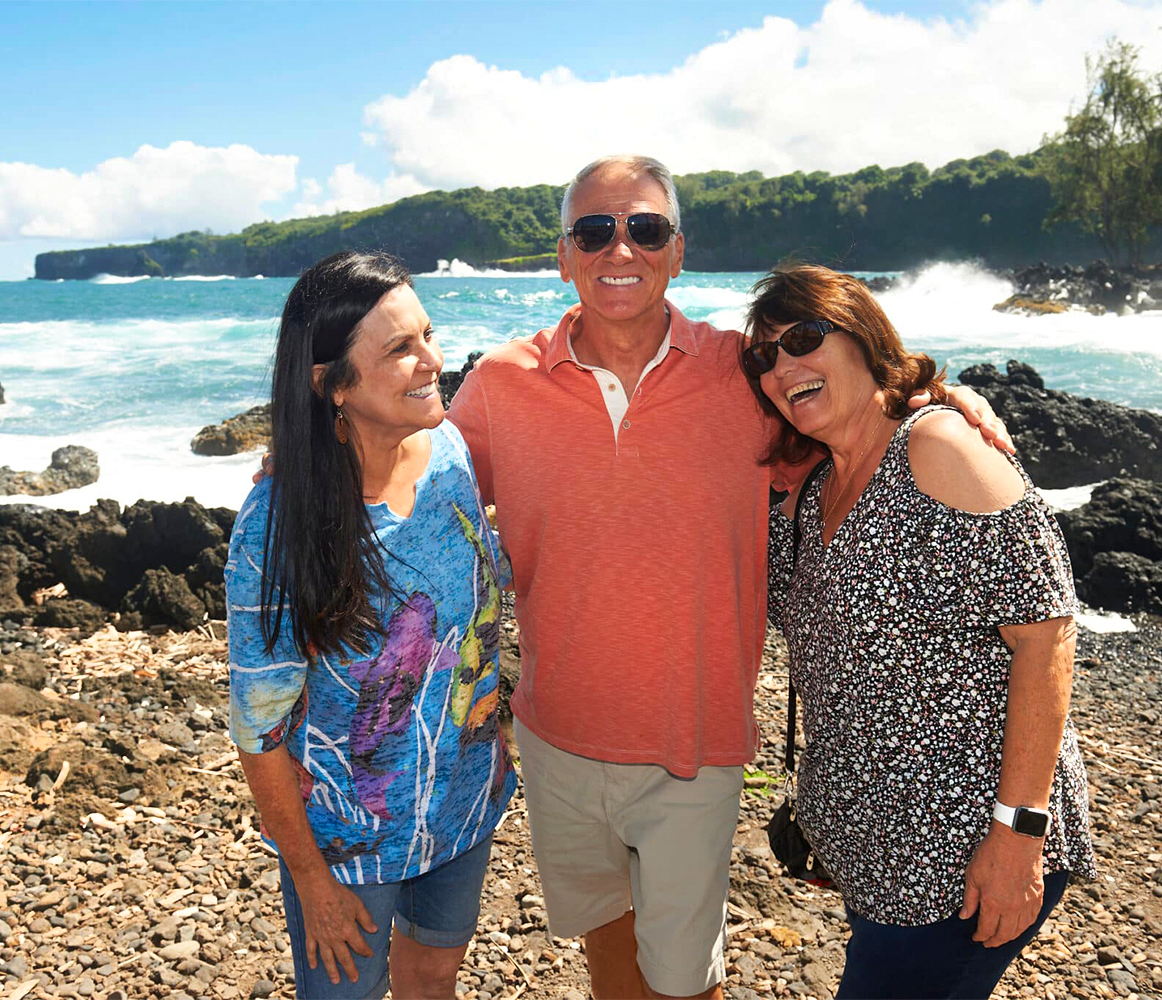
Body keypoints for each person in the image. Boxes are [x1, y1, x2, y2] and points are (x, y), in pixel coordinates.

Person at [444, 155, 1013, 1000]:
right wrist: (315, 453)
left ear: (678, 251)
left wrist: (941, 396)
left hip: (693, 746)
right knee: (609, 953)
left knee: (684, 981)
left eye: (645, 228)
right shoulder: (500, 385)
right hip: (555, 735)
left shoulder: (745, 377)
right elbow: (421, 486)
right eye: (594, 231)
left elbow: (856, 412)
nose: (620, 249)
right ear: (563, 256)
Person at [748, 263, 1098, 1000]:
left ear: (866, 338)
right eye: (764, 357)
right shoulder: (811, 488)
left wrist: (1017, 836)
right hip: (879, 859)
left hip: (964, 855)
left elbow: (1048, 639)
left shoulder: (937, 449)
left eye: (805, 339)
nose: (783, 367)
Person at [225, 250, 515, 1000]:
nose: (434, 360)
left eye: (428, 333)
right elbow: (259, 728)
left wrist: (501, 717)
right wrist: (311, 880)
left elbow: (477, 617)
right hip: (349, 842)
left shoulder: (451, 450)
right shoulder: (278, 524)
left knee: (433, 980)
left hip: (464, 802)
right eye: (400, 349)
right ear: (331, 386)